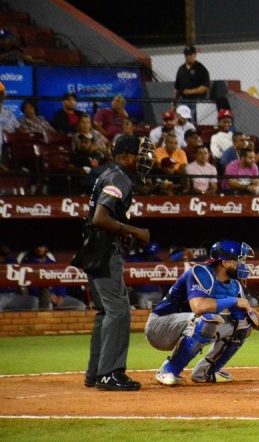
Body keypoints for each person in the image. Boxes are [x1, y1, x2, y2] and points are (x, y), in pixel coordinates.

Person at [145, 240, 259, 386]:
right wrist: (234, 301)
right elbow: (198, 307)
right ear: (225, 262)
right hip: (160, 326)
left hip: (187, 328)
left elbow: (248, 313)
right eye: (238, 260)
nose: (242, 265)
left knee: (243, 325)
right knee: (207, 319)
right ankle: (168, 370)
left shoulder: (234, 285)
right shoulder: (201, 272)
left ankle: (206, 372)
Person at [79, 134, 155, 391]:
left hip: (93, 247)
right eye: (140, 155)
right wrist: (134, 230)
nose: (144, 160)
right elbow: (100, 218)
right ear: (125, 156)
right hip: (103, 249)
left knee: (105, 311)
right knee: (118, 311)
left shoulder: (109, 173)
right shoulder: (119, 176)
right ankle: (110, 373)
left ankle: (95, 373)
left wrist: (122, 231)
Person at [21, 244, 86, 310]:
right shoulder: (29, 264)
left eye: (42, 247)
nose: (39, 249)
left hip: (56, 296)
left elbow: (61, 282)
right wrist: (48, 296)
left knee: (80, 306)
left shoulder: (53, 264)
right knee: (48, 306)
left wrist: (60, 295)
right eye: (37, 247)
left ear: (46, 248)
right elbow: (30, 287)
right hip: (39, 296)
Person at [126, 241, 165, 309]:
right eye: (148, 254)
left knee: (164, 301)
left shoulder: (158, 262)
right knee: (142, 299)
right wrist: (128, 288)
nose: (149, 256)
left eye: (152, 254)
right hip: (138, 292)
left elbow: (164, 279)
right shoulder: (133, 259)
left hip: (155, 292)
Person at [0, 245, 39, 312]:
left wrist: (23, 288)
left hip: (13, 296)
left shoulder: (11, 260)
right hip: (1, 297)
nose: (5, 249)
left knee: (36, 301)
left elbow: (21, 279)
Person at [173, 45, 211, 114]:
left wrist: (191, 91)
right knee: (182, 119)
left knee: (193, 119)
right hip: (184, 101)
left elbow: (205, 87)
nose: (188, 56)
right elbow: (177, 89)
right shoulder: (181, 69)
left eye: (190, 54)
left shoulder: (201, 68)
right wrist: (174, 104)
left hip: (197, 101)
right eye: (186, 54)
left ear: (194, 55)